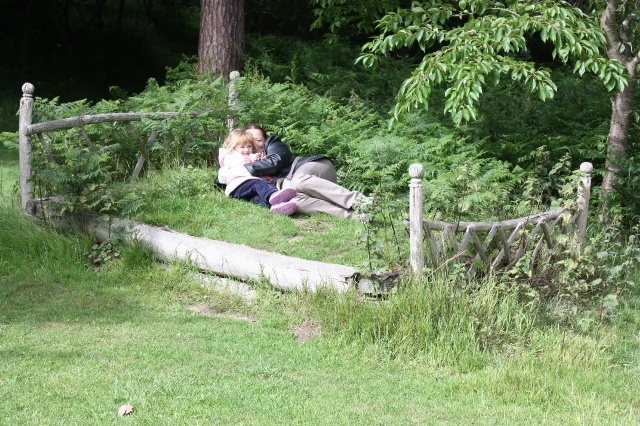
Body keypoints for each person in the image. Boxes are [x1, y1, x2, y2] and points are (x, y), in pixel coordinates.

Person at [242, 124, 368, 218]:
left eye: (258, 140)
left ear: (265, 140)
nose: (255, 144)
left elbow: (275, 161)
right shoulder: (243, 160)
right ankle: (357, 216)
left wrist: (245, 168)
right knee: (295, 203)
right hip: (298, 188)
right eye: (250, 140)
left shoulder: (272, 143)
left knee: (299, 181)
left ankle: (362, 202)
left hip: (315, 168)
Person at [217, 129, 297, 215]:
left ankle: (277, 206)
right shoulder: (232, 156)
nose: (246, 150)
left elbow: (252, 169)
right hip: (239, 184)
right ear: (233, 147)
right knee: (260, 184)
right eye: (242, 147)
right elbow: (235, 166)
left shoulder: (246, 156)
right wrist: (248, 160)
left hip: (236, 190)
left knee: (256, 198)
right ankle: (273, 194)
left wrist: (258, 160)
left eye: (249, 146)